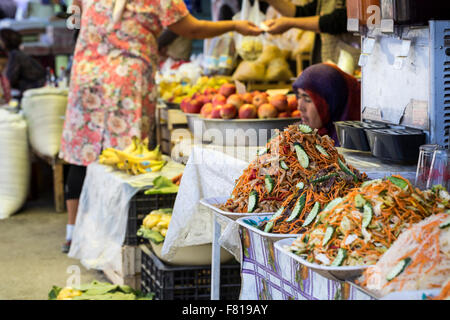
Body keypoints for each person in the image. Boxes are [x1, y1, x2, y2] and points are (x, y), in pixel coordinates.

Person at [60, 0, 262, 253]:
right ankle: (117, 239)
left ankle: (73, 233)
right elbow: (192, 30)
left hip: (87, 74)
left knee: (84, 154)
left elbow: (75, 9)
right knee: (130, 159)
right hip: (126, 80)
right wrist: (235, 25)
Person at [263, 0, 360, 66]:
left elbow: (342, 20)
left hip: (351, 65)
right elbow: (303, 12)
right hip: (330, 64)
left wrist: (290, 23)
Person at [293, 63, 360, 145]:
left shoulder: (351, 148)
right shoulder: (297, 139)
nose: (299, 107)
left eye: (307, 99)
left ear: (332, 103)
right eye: (298, 97)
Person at [0, 29, 46, 97]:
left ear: (5, 41)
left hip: (35, 89)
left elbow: (9, 80)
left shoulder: (15, 55)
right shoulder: (17, 54)